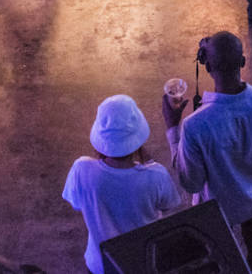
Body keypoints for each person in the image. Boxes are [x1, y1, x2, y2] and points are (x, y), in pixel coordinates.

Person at [163, 31, 252, 274]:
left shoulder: (195, 126)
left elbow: (191, 182)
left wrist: (173, 128)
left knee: (215, 259)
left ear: (207, 67)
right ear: (243, 62)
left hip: (220, 209)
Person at [63, 94, 180, 274]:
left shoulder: (82, 169)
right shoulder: (156, 175)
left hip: (99, 266)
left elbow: (78, 203)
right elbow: (169, 205)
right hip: (142, 263)